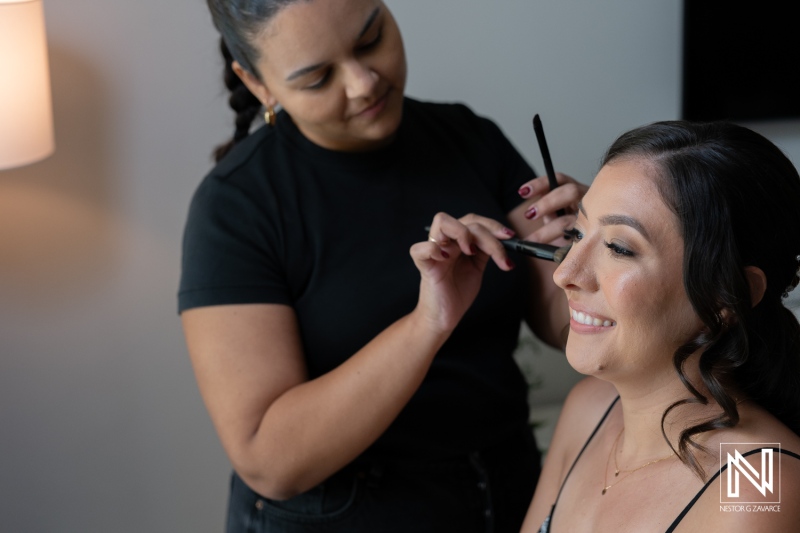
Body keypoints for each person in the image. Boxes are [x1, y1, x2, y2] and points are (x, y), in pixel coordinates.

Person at [178, 1, 585, 531]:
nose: (364, 82)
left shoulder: (467, 136)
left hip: (510, 497)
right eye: (319, 77)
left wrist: (594, 253)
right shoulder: (235, 208)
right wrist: (427, 323)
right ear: (258, 84)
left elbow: (560, 317)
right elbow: (269, 460)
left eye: (371, 40)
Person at [488, 120, 799, 532]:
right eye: (577, 234)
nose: (566, 273)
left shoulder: (758, 484)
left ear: (728, 294)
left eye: (619, 247)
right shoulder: (589, 409)